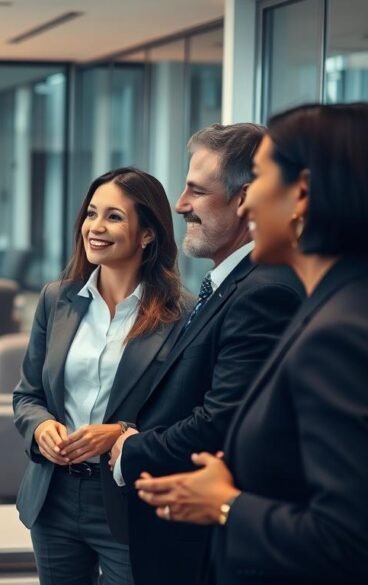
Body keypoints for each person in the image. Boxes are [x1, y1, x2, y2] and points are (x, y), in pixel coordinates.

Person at [135, 102, 368, 585]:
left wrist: (224, 504)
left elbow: (348, 537)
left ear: (300, 193)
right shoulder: (332, 303)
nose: (247, 203)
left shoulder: (340, 332)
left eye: (258, 181)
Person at [108, 124, 303, 585]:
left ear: (244, 200)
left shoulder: (265, 290)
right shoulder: (226, 284)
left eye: (197, 190)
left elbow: (222, 421)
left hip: (206, 548)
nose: (180, 204)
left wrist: (131, 448)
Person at [12, 167, 189, 585]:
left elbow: (183, 414)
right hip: (52, 495)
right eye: (92, 213)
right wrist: (41, 429)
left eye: (113, 216)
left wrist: (119, 432)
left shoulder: (179, 314)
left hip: (129, 500)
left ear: (147, 234)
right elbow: (27, 395)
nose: (95, 227)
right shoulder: (57, 300)